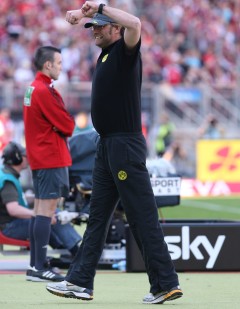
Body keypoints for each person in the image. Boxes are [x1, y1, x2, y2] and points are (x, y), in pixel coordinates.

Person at [46, 2, 183, 304]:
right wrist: (85, 15)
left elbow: (135, 22)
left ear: (115, 29)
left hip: (124, 146)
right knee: (98, 218)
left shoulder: (125, 50)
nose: (94, 30)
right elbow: (106, 22)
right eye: (92, 26)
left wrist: (102, 7)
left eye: (99, 25)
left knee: (141, 215)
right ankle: (79, 281)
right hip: (107, 146)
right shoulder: (107, 54)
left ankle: (165, 283)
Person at [23, 46, 75, 282]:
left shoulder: (32, 88)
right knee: (46, 211)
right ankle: (40, 267)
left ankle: (35, 265)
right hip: (50, 157)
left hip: (40, 157)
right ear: (48, 65)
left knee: (39, 211)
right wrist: (59, 125)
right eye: (59, 63)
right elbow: (67, 125)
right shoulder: (44, 91)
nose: (61, 67)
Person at [0, 141, 82, 278]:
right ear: (18, 158)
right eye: (25, 155)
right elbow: (13, 209)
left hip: (9, 224)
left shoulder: (6, 175)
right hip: (9, 227)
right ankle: (77, 254)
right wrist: (39, 214)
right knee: (47, 216)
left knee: (47, 216)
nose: (28, 158)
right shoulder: (8, 180)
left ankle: (65, 253)